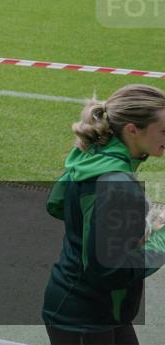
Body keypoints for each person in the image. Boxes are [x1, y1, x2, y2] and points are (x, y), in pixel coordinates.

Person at [43, 84, 165, 345]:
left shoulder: (91, 156)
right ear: (132, 130)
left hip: (97, 309)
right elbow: (108, 272)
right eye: (163, 131)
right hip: (82, 318)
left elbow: (56, 203)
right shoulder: (117, 182)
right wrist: (159, 239)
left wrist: (129, 226)